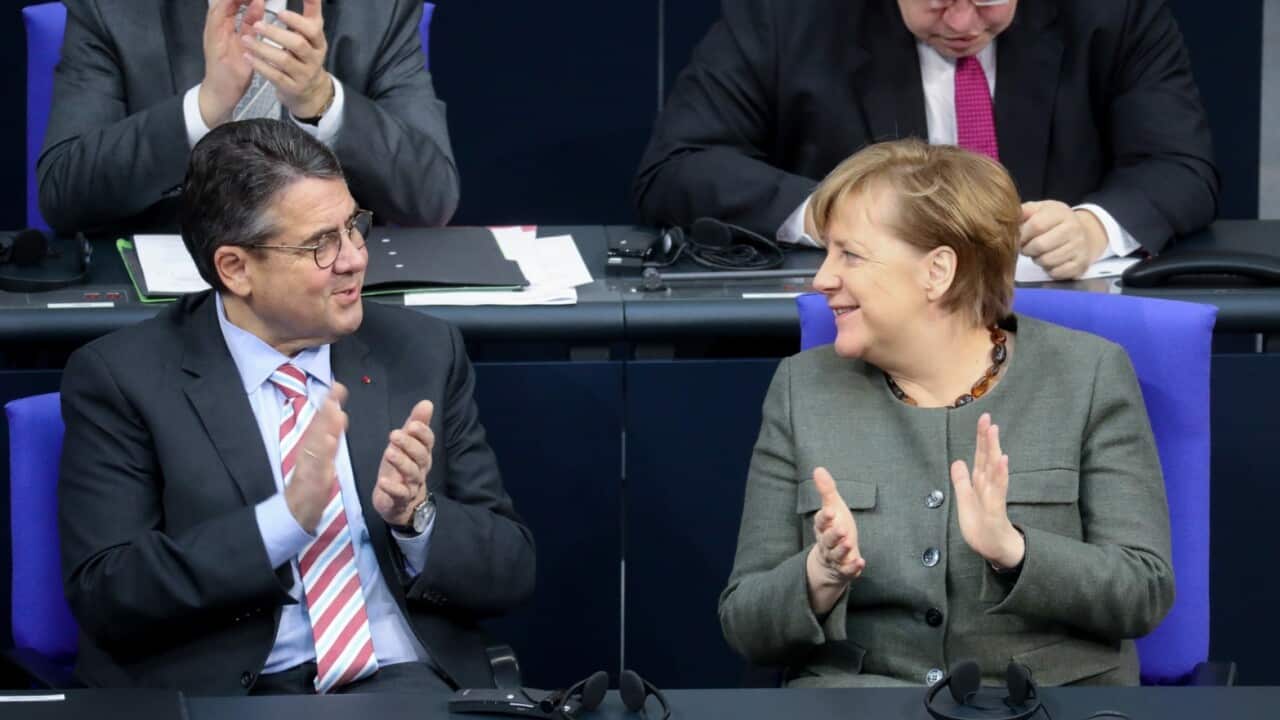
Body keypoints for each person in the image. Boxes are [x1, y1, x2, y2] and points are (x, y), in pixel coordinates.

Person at [58, 119, 532, 695]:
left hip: (403, 680)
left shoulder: (421, 351)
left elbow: (511, 569)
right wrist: (281, 524)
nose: (356, 258)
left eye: (353, 227)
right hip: (231, 692)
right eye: (320, 245)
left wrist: (418, 518)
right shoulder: (123, 378)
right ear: (235, 268)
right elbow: (109, 593)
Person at [718, 139, 1174, 687]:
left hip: (1038, 702)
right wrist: (821, 574)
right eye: (826, 254)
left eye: (850, 255)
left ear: (938, 271)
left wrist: (1015, 552)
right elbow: (745, 624)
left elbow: (1143, 594)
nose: (821, 279)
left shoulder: (1088, 376)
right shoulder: (802, 388)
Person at [633, 0, 1218, 279]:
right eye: (939, 1)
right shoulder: (789, 16)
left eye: (985, 1)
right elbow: (680, 165)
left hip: (1059, 329)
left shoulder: (1112, 12)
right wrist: (835, 213)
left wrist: (1094, 229)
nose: (963, 24)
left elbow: (1178, 164)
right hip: (855, 329)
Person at [39, 0, 457, 236]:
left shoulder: (379, 10)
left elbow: (431, 197)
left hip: (323, 295)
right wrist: (204, 107)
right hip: (169, 306)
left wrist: (321, 100)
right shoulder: (112, 10)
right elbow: (65, 194)